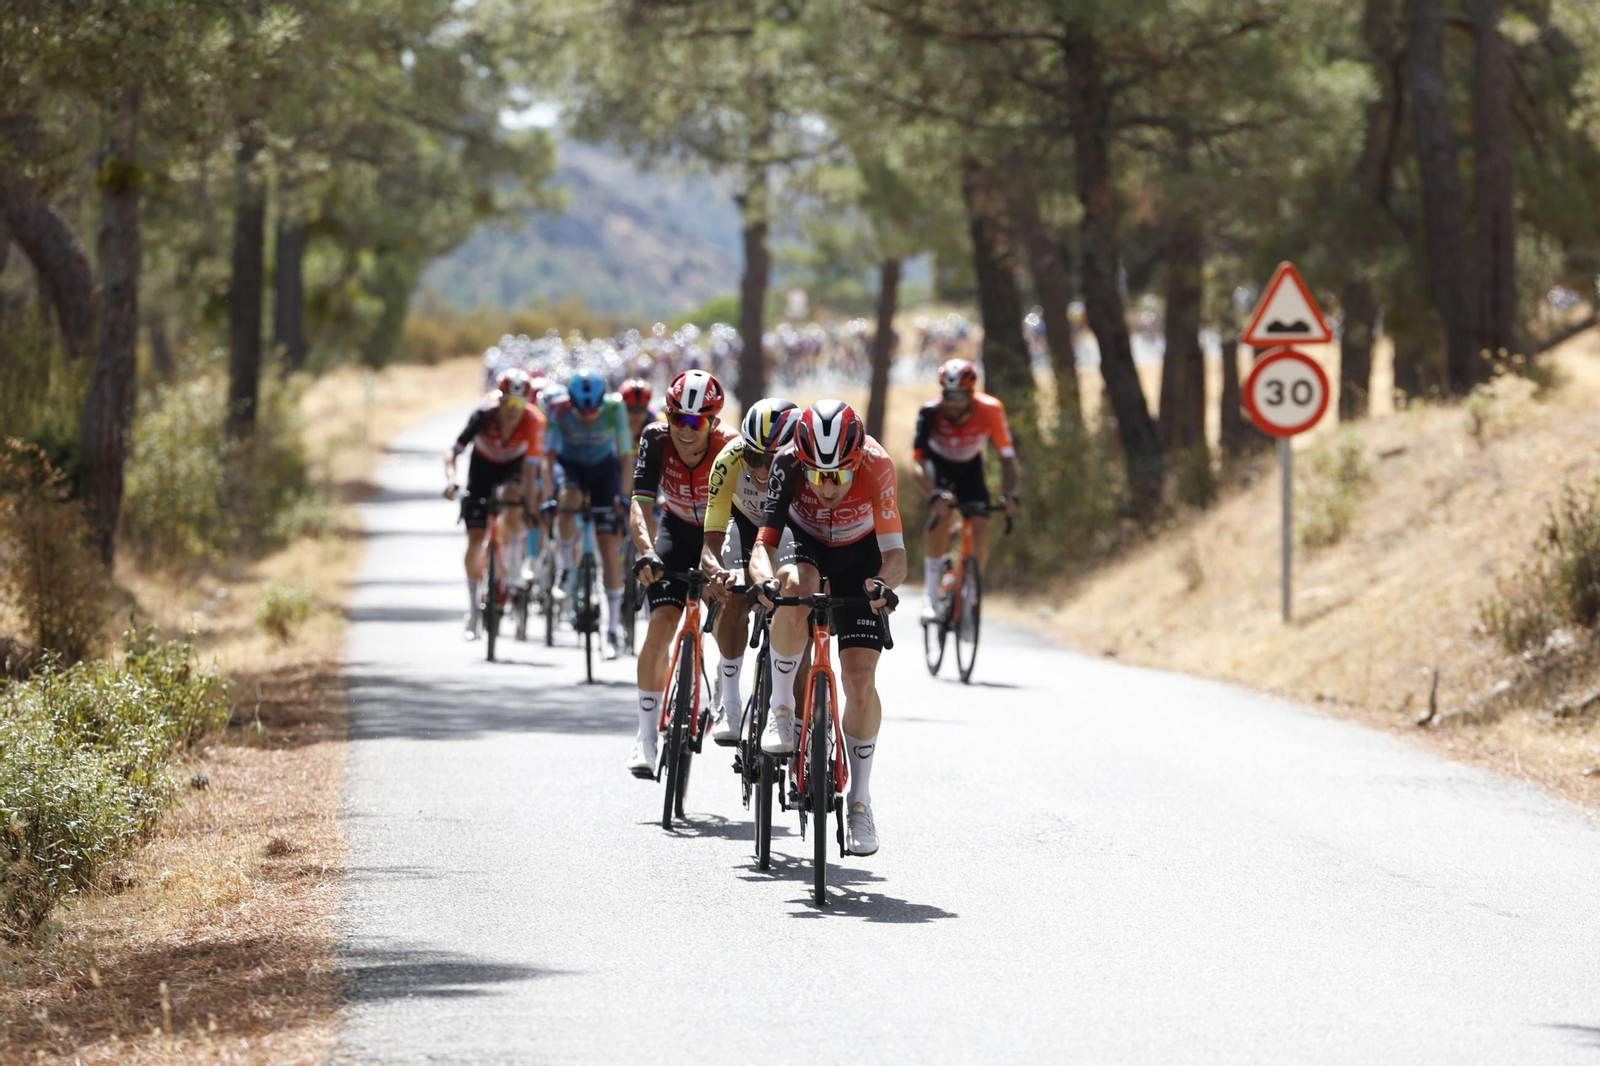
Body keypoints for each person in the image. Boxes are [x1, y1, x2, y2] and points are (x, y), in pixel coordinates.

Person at [748, 400, 905, 857]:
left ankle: (860, 801)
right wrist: (762, 582)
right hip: (806, 542)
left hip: (861, 553)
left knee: (859, 677)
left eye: (837, 475)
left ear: (856, 462)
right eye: (816, 475)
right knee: (796, 585)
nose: (826, 486)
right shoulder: (787, 461)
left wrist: (883, 585)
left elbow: (896, 557)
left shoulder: (877, 465)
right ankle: (781, 709)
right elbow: (764, 545)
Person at [625, 371, 737, 777]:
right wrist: (648, 552)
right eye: (678, 419)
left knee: (728, 608)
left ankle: (727, 693)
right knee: (661, 624)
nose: (685, 430)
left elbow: (751, 514)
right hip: (675, 528)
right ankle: (645, 737)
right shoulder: (655, 438)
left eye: (697, 421)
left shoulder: (731, 447)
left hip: (720, 535)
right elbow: (640, 504)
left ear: (713, 423)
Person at [700, 398, 801, 745]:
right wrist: (716, 573)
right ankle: (729, 698)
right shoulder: (728, 460)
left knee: (796, 599)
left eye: (770, 460)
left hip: (787, 527)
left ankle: (797, 715)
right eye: (753, 457)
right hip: (743, 524)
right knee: (735, 595)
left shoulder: (803, 463)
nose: (760, 470)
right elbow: (710, 542)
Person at [910, 358, 1020, 622]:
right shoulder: (930, 411)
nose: (952, 402)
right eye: (947, 394)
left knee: (982, 523)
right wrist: (932, 492)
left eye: (958, 395)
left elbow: (1007, 460)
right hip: (940, 466)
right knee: (944, 510)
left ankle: (970, 591)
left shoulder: (991, 410)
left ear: (971, 393)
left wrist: (1008, 494)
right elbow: (917, 461)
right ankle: (932, 594)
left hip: (970, 466)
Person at [444, 371, 546, 639]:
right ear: (498, 401)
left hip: (514, 467)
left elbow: (531, 471)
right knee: (475, 539)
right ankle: (473, 610)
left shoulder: (534, 421)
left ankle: (511, 569)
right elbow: (452, 452)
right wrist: (452, 481)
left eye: (519, 404)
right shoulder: (483, 415)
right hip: (482, 468)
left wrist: (529, 504)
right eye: (508, 404)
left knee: (516, 498)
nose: (513, 411)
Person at [544, 370, 634, 659]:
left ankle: (611, 631)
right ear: (570, 403)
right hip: (569, 465)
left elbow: (625, 455)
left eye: (593, 412)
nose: (588, 418)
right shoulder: (557, 409)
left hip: (603, 469)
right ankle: (566, 569)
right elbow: (547, 458)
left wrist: (623, 494)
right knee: (567, 500)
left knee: (608, 546)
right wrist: (548, 497)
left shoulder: (615, 407)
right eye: (582, 413)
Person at [620, 378, 661, 447]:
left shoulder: (658, 422)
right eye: (631, 409)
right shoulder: (613, 422)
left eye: (641, 409)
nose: (636, 416)